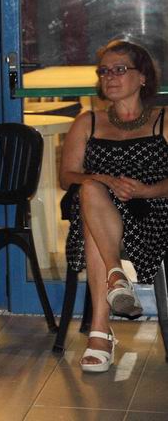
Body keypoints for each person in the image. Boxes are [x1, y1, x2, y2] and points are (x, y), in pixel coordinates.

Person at [60, 39, 168, 373]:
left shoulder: (164, 120)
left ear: (143, 76)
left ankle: (100, 333)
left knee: (93, 226)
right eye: (104, 71)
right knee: (90, 191)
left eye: (119, 69)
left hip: (155, 215)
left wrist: (145, 190)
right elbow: (67, 177)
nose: (110, 77)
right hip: (100, 213)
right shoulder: (87, 122)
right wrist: (103, 179)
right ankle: (116, 277)